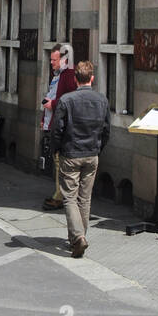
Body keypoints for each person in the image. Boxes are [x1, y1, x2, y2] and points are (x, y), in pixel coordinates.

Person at [52, 60, 110, 257]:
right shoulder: (102, 100)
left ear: (76, 79)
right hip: (92, 154)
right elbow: (106, 130)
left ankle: (78, 237)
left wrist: (55, 149)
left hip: (71, 154)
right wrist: (98, 148)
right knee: (85, 199)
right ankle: (77, 239)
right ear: (92, 78)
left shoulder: (67, 100)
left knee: (69, 197)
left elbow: (57, 130)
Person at [40, 43, 76, 212]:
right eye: (51, 59)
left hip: (62, 127)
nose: (51, 63)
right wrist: (43, 118)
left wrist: (52, 105)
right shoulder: (57, 75)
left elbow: (68, 101)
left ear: (64, 59)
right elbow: (51, 96)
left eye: (54, 60)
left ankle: (59, 196)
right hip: (52, 122)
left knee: (59, 162)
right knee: (57, 162)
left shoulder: (69, 75)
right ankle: (58, 194)